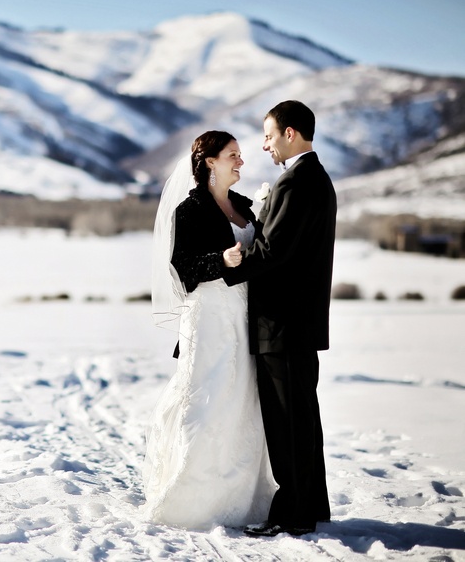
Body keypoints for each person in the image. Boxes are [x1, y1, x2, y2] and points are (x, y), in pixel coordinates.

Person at [143, 130, 276, 531]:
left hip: (244, 318)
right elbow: (182, 268)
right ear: (210, 162)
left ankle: (244, 497)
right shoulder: (189, 209)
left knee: (241, 401)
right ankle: (192, 498)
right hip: (209, 318)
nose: (241, 161)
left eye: (240, 155)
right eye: (233, 155)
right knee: (208, 398)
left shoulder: (243, 207)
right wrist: (221, 259)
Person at [223, 100, 336, 537]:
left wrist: (229, 268)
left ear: (291, 134)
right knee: (303, 418)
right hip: (298, 323)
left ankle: (293, 515)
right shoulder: (313, 178)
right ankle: (312, 506)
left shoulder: (296, 183)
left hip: (283, 323)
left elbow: (273, 252)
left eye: (269, 135)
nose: (264, 145)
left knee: (288, 423)